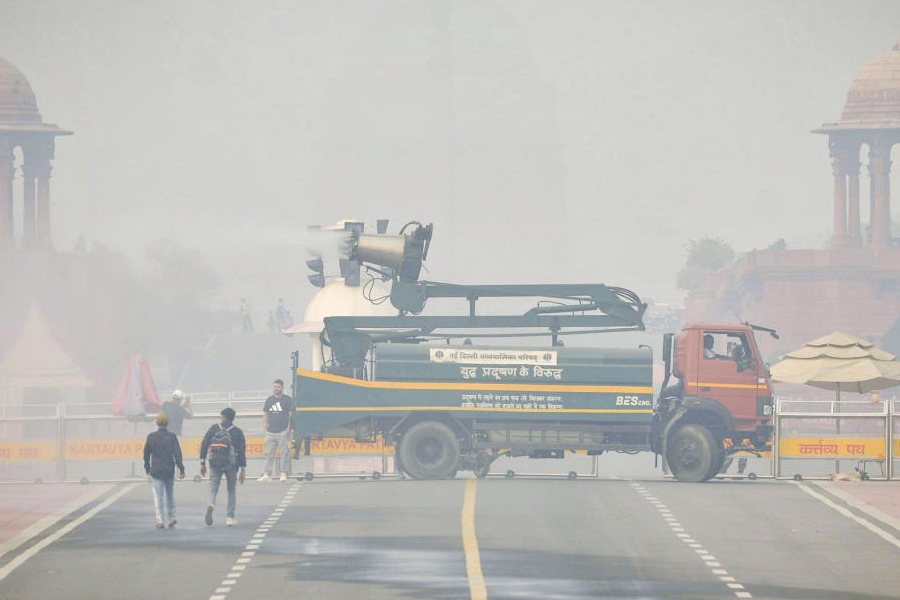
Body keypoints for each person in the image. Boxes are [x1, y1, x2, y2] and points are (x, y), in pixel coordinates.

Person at [200, 407, 247, 526]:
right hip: (231, 464)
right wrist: (242, 469)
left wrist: (202, 462)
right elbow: (241, 451)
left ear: (224, 417)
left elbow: (204, 443)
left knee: (213, 489)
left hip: (214, 463)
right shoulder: (237, 432)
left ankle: (211, 505)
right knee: (231, 490)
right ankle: (230, 517)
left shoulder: (214, 428)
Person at [143, 413, 185, 529]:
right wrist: (181, 468)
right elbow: (177, 454)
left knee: (158, 496)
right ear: (167, 423)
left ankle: (160, 520)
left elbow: (146, 454)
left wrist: (147, 467)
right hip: (168, 470)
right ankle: (171, 518)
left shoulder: (151, 437)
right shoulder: (172, 437)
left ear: (157, 423)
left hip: (156, 470)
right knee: (170, 495)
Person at [259, 378, 294, 482]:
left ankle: (283, 473)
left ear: (282, 387)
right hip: (270, 432)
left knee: (284, 453)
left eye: (278, 387)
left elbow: (291, 414)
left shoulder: (287, 400)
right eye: (274, 387)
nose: (276, 389)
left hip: (283, 431)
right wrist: (265, 428)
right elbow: (265, 413)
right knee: (269, 453)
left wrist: (289, 428)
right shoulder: (269, 400)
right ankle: (267, 474)